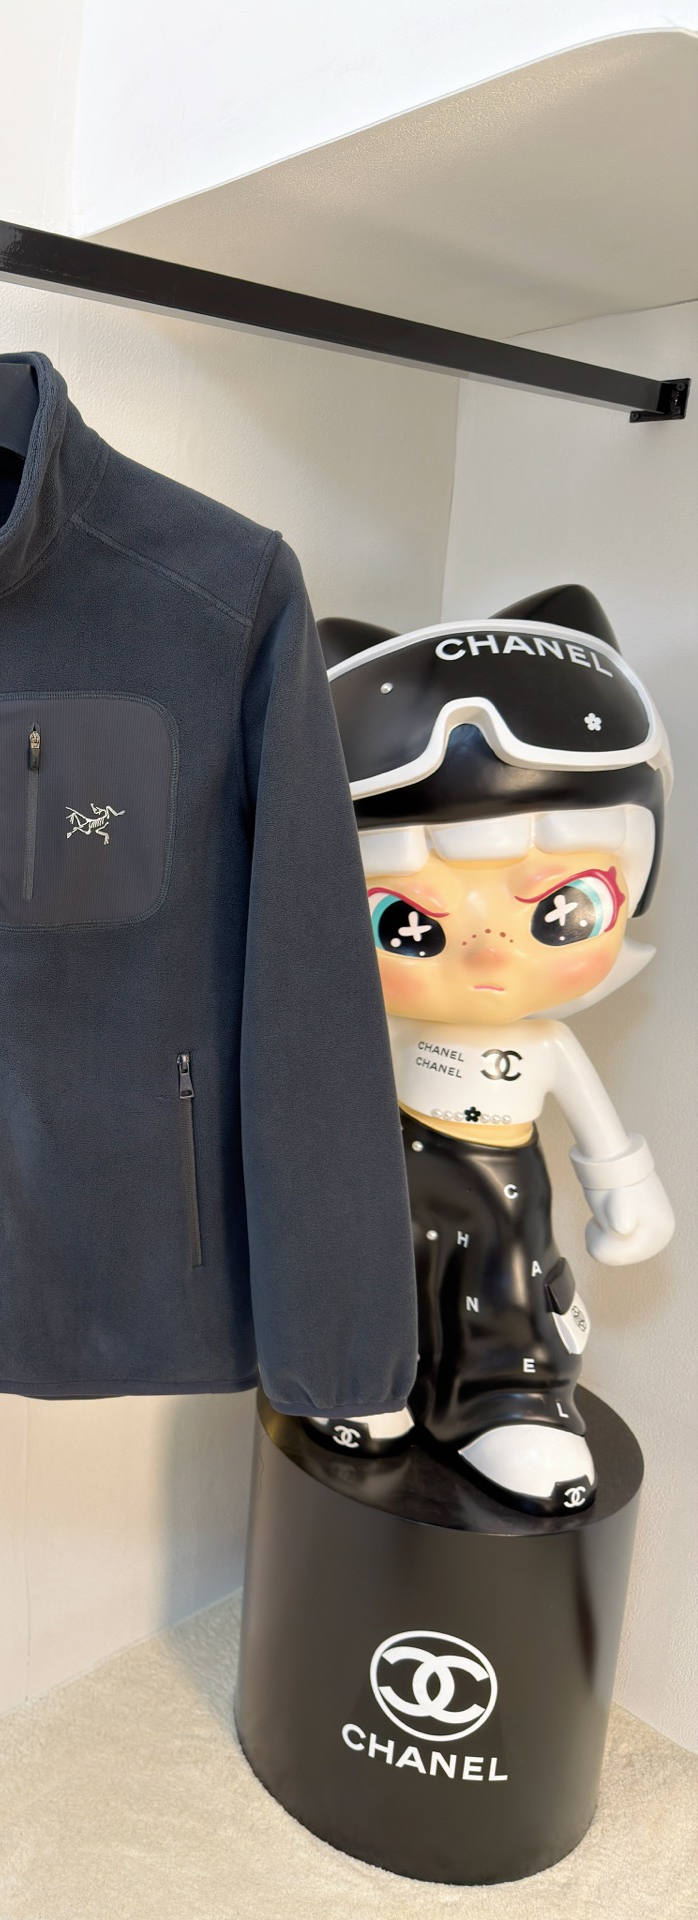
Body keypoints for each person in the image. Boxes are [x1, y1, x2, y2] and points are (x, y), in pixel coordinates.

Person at [308, 586, 673, 1514]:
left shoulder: (546, 1043)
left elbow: (596, 1129)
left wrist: (626, 1190)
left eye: (561, 909)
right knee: (369, 1276)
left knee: (505, 1294)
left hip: (501, 1191)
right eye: (409, 922)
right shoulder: (379, 1029)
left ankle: (507, 1404)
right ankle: (360, 1381)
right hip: (387, 1170)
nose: (486, 953)